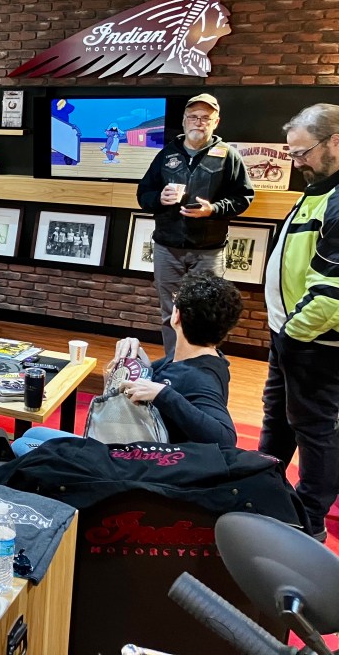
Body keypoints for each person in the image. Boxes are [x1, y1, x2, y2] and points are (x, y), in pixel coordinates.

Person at [258, 103, 339, 542]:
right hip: (291, 334)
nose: (296, 162)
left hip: (314, 341)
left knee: (315, 429)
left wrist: (292, 334)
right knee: (279, 418)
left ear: (335, 142)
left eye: (302, 152)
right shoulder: (320, 189)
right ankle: (264, 491)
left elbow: (332, 294)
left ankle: (310, 521)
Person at [136, 93, 254, 355]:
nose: (198, 122)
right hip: (167, 249)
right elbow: (143, 195)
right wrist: (159, 198)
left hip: (208, 251)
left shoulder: (229, 156)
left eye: (205, 118)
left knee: (207, 313)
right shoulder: (166, 154)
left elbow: (243, 198)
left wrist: (213, 209)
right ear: (184, 120)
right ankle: (174, 362)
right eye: (193, 117)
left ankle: (201, 366)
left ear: (216, 122)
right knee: (170, 312)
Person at [116, 271, 243, 447]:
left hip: (163, 459)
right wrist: (138, 361)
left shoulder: (201, 378)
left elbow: (225, 439)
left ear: (177, 316)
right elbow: (170, 377)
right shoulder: (196, 358)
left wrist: (163, 395)